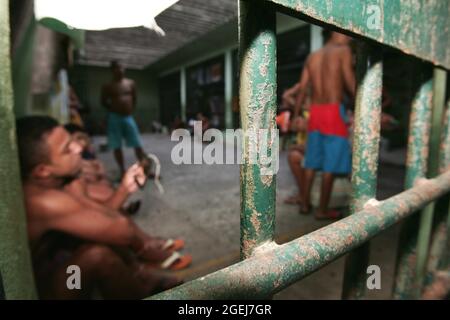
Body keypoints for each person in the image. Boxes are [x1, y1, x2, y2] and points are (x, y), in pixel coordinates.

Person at [17, 116, 191, 299]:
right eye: (67, 149)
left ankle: (140, 277)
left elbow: (102, 213)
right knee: (96, 256)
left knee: (93, 234)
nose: (79, 148)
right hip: (47, 290)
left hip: (59, 264)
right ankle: (139, 282)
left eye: (72, 141)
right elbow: (123, 232)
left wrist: (124, 189)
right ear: (43, 171)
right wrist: (78, 187)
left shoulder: (49, 183)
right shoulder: (44, 201)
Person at [294, 31, 356, 219]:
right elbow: (349, 81)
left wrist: (297, 115)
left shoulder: (312, 57)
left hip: (315, 113)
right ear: (334, 32)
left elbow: (303, 89)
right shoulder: (342, 50)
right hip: (333, 112)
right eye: (347, 34)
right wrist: (364, 102)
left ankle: (305, 204)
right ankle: (322, 210)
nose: (350, 38)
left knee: (311, 161)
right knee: (331, 163)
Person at [101, 60, 145, 177]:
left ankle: (144, 167)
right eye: (117, 68)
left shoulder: (131, 83)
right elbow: (103, 102)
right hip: (114, 118)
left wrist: (129, 109)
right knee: (116, 145)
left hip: (128, 117)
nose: (120, 70)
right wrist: (115, 109)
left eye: (122, 67)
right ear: (112, 70)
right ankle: (122, 170)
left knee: (137, 143)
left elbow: (134, 99)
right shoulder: (108, 86)